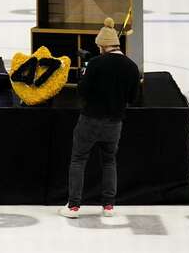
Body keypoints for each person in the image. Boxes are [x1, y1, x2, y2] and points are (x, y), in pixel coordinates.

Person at [59, 17, 140, 218]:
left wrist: (83, 74)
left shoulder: (95, 64)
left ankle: (74, 206)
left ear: (103, 46)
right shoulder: (131, 67)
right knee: (109, 161)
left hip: (90, 121)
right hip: (115, 123)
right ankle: (108, 206)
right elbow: (133, 98)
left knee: (78, 160)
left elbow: (82, 92)